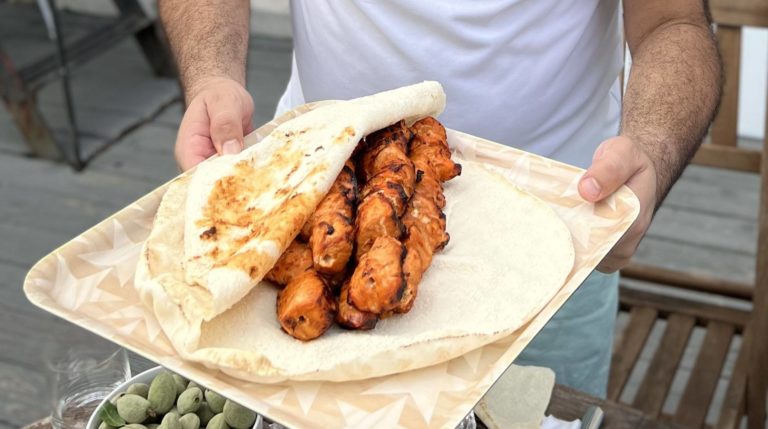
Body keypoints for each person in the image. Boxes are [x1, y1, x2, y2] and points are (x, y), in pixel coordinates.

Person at [158, 0, 721, 398]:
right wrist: (212, 77)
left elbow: (673, 20)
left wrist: (651, 148)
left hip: (567, 219)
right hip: (305, 203)